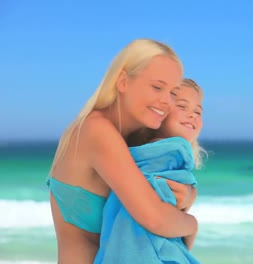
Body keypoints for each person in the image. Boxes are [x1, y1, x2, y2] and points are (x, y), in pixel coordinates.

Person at [48, 39, 198, 264]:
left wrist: (189, 194)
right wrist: (192, 224)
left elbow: (162, 206)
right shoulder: (97, 130)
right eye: (157, 87)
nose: (166, 100)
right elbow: (156, 219)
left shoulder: (128, 142)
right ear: (123, 81)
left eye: (173, 93)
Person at [94, 79, 205, 263]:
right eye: (182, 106)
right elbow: (161, 221)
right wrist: (192, 225)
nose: (193, 115)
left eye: (198, 112)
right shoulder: (169, 154)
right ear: (159, 113)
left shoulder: (146, 156)